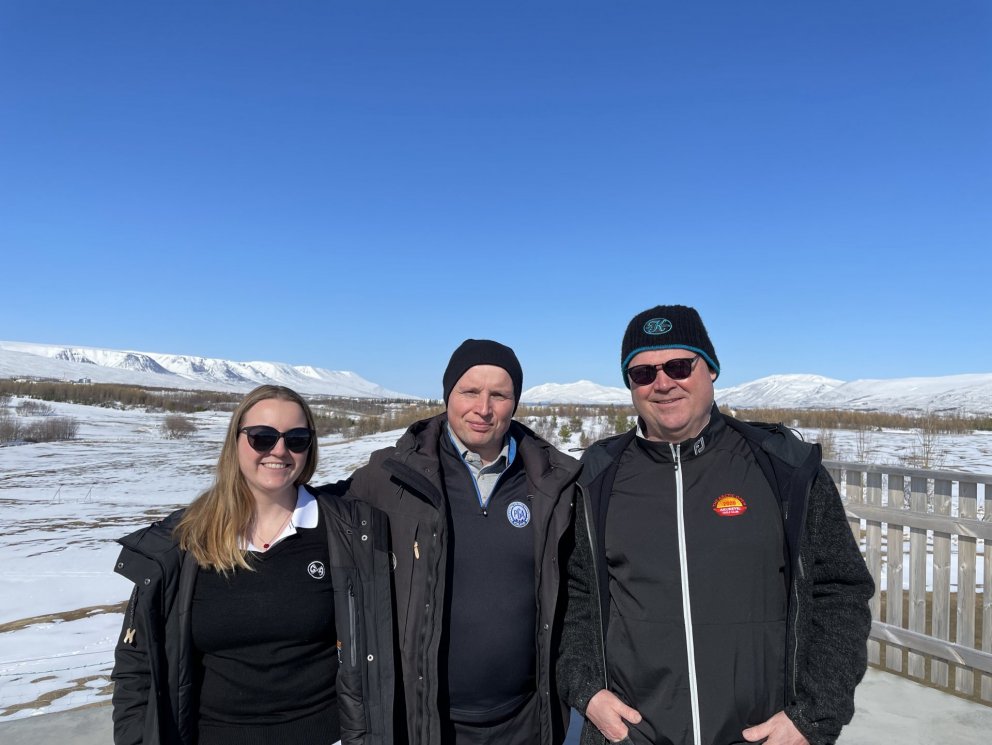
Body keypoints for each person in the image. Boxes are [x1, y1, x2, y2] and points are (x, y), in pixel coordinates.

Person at [558, 305, 874, 745]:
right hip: (631, 735)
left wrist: (813, 715)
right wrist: (587, 690)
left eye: (679, 366)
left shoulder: (783, 467)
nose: (662, 383)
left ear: (711, 369)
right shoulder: (597, 477)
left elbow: (838, 591)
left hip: (760, 734)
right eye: (643, 373)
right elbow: (575, 595)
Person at [111, 384, 394, 745]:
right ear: (235, 442)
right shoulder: (184, 540)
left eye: (296, 439)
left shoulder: (345, 533)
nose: (279, 450)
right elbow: (137, 667)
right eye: (262, 437)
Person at [337, 339, 582, 745]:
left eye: (499, 395)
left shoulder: (553, 483)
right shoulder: (392, 476)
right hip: (426, 721)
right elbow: (316, 514)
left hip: (526, 719)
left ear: (515, 403)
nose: (483, 408)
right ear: (447, 395)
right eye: (470, 391)